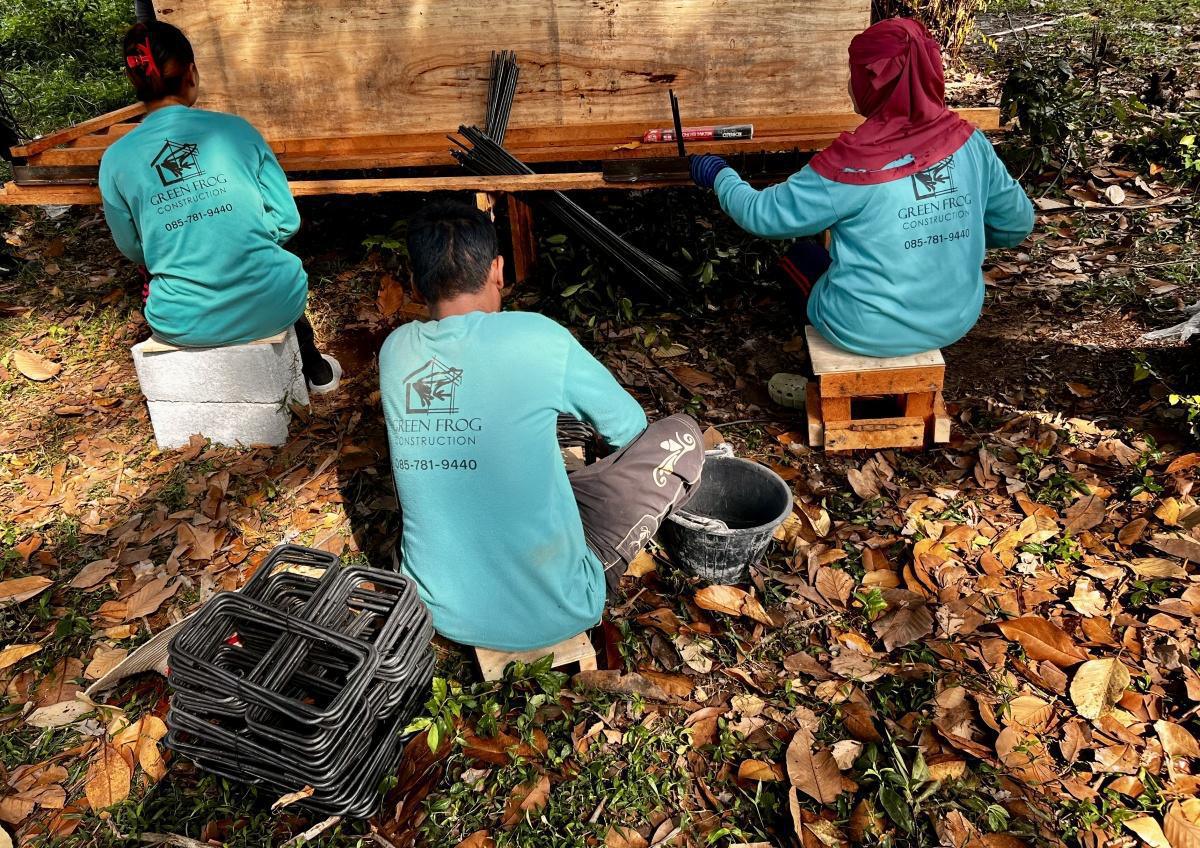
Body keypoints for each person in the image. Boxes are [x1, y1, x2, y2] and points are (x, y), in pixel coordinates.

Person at [379, 200, 704, 652]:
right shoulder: (538, 336)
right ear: (497, 270)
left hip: (433, 606)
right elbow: (629, 427)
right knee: (683, 434)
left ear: (415, 283)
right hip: (562, 606)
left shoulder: (395, 350)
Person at [690, 18, 1035, 359]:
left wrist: (720, 174)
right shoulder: (970, 141)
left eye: (853, 72)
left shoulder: (851, 164)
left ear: (873, 80)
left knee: (800, 259)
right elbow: (1015, 224)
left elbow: (762, 216)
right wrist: (951, 238)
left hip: (863, 329)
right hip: (956, 317)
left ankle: (814, 374)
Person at [98, 21, 340, 393]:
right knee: (278, 281)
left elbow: (132, 248)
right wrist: (245, 233)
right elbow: (287, 220)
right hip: (273, 304)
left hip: (183, 320)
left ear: (137, 84)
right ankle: (318, 373)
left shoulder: (115, 160)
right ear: (191, 73)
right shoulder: (236, 131)